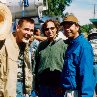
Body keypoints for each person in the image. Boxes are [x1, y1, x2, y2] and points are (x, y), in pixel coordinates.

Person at [60, 15, 95, 97]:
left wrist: (86, 95)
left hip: (77, 92)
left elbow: (87, 74)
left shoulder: (83, 46)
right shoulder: (71, 44)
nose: (67, 29)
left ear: (77, 27)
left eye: (69, 26)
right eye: (64, 27)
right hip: (68, 91)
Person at [34, 19, 67, 97]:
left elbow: (67, 67)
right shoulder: (41, 45)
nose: (49, 31)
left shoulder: (64, 45)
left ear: (56, 29)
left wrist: (63, 84)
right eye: (47, 29)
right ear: (44, 31)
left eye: (52, 28)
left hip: (58, 87)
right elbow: (36, 65)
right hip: (43, 86)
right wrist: (36, 84)